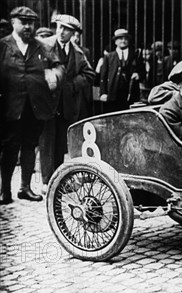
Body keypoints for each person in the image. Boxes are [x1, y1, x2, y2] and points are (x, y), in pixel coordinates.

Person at [0, 6, 64, 204]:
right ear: (13, 23)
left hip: (35, 107)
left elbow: (58, 64)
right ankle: (5, 191)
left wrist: (55, 75)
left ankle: (25, 188)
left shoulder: (42, 46)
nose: (28, 26)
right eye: (23, 22)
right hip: (10, 108)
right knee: (9, 148)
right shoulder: (3, 46)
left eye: (31, 23)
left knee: (30, 146)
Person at [38, 14, 94, 193]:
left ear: (74, 33)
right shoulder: (44, 45)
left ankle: (57, 178)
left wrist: (71, 85)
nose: (61, 32)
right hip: (47, 103)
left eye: (66, 29)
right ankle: (46, 182)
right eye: (59, 27)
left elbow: (90, 75)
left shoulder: (77, 52)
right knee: (47, 142)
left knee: (61, 142)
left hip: (67, 105)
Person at [99, 28, 141, 112]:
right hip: (113, 93)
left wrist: (138, 75)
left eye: (126, 39)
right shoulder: (109, 56)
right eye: (120, 39)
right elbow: (103, 76)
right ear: (115, 42)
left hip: (130, 93)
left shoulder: (135, 55)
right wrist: (103, 93)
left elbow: (142, 71)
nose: (123, 41)